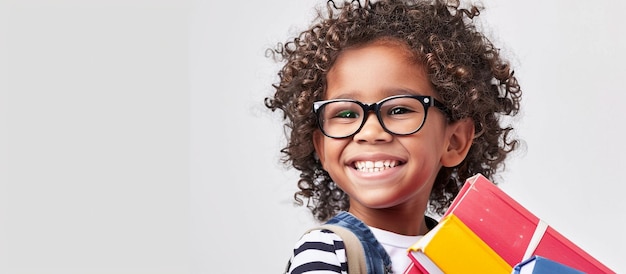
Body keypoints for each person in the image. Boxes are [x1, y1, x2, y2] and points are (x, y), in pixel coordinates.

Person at [265, 0, 522, 273]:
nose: (370, 133)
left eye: (399, 109)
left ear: (454, 141)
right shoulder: (326, 251)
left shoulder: (466, 258)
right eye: (346, 114)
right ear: (321, 147)